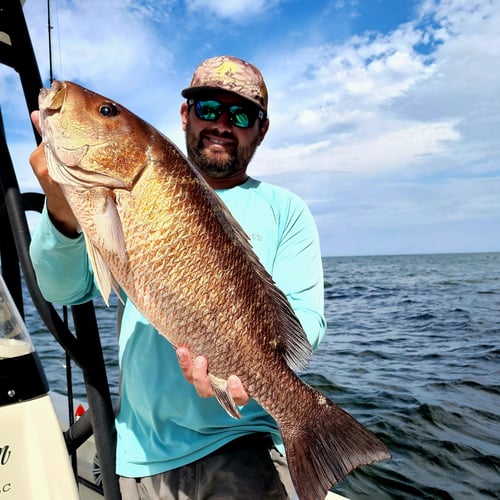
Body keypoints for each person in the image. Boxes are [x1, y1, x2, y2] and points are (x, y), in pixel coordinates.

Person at [29, 55, 326, 499]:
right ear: (186, 114)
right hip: (134, 451)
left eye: (241, 115)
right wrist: (60, 206)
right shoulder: (107, 192)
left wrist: (257, 375)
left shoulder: (285, 210)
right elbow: (62, 289)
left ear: (261, 130)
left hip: (238, 448)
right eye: (208, 108)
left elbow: (305, 322)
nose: (223, 123)